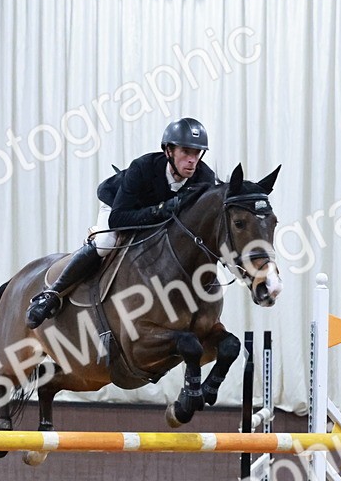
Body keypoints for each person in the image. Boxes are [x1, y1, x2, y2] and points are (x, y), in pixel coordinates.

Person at [24, 117, 217, 329]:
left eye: (196, 153)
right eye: (186, 152)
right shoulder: (143, 167)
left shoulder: (205, 178)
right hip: (119, 207)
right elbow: (118, 218)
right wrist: (159, 211)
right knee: (106, 243)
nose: (192, 160)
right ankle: (51, 294)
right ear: (169, 151)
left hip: (159, 220)